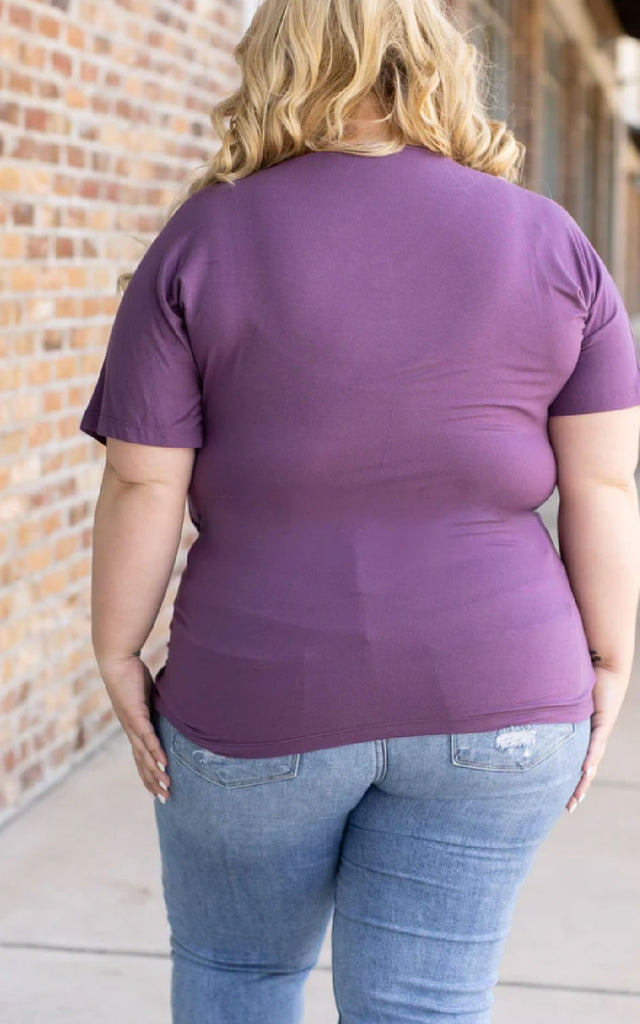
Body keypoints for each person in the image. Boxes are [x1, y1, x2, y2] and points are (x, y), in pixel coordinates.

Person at [78, 1, 640, 1022]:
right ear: (436, 65)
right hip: (504, 689)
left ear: (276, 61)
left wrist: (117, 649)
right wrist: (609, 661)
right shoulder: (552, 241)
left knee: (239, 974)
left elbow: (142, 480)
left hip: (256, 700)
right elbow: (602, 484)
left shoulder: (203, 236)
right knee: (423, 1004)